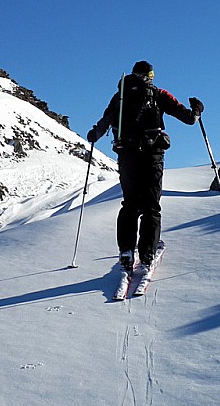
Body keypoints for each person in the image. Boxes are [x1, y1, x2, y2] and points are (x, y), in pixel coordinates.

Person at [87, 60, 204, 271]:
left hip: (127, 155)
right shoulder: (158, 94)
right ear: (150, 76)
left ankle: (126, 251)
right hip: (152, 155)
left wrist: (95, 134)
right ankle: (147, 252)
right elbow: (188, 119)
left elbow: (106, 120)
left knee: (130, 204)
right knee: (151, 206)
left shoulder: (120, 96)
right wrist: (197, 109)